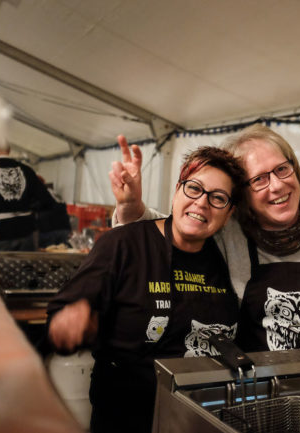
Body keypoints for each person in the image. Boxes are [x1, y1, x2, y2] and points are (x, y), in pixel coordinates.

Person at [110, 125, 300, 361]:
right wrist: (131, 208)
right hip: (262, 396)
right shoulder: (229, 234)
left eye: (282, 169)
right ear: (241, 194)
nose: (277, 185)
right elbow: (176, 227)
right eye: (259, 179)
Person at [47, 146, 246, 433]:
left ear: (229, 213)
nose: (202, 202)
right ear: (176, 191)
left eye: (218, 198)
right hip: (127, 416)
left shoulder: (228, 259)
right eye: (194, 188)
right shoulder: (124, 244)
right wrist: (70, 321)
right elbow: (67, 308)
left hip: (200, 415)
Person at [0, 145, 66, 263]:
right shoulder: (27, 170)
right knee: (25, 270)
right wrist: (27, 208)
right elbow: (48, 202)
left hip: (0, 233)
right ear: (8, 150)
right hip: (26, 232)